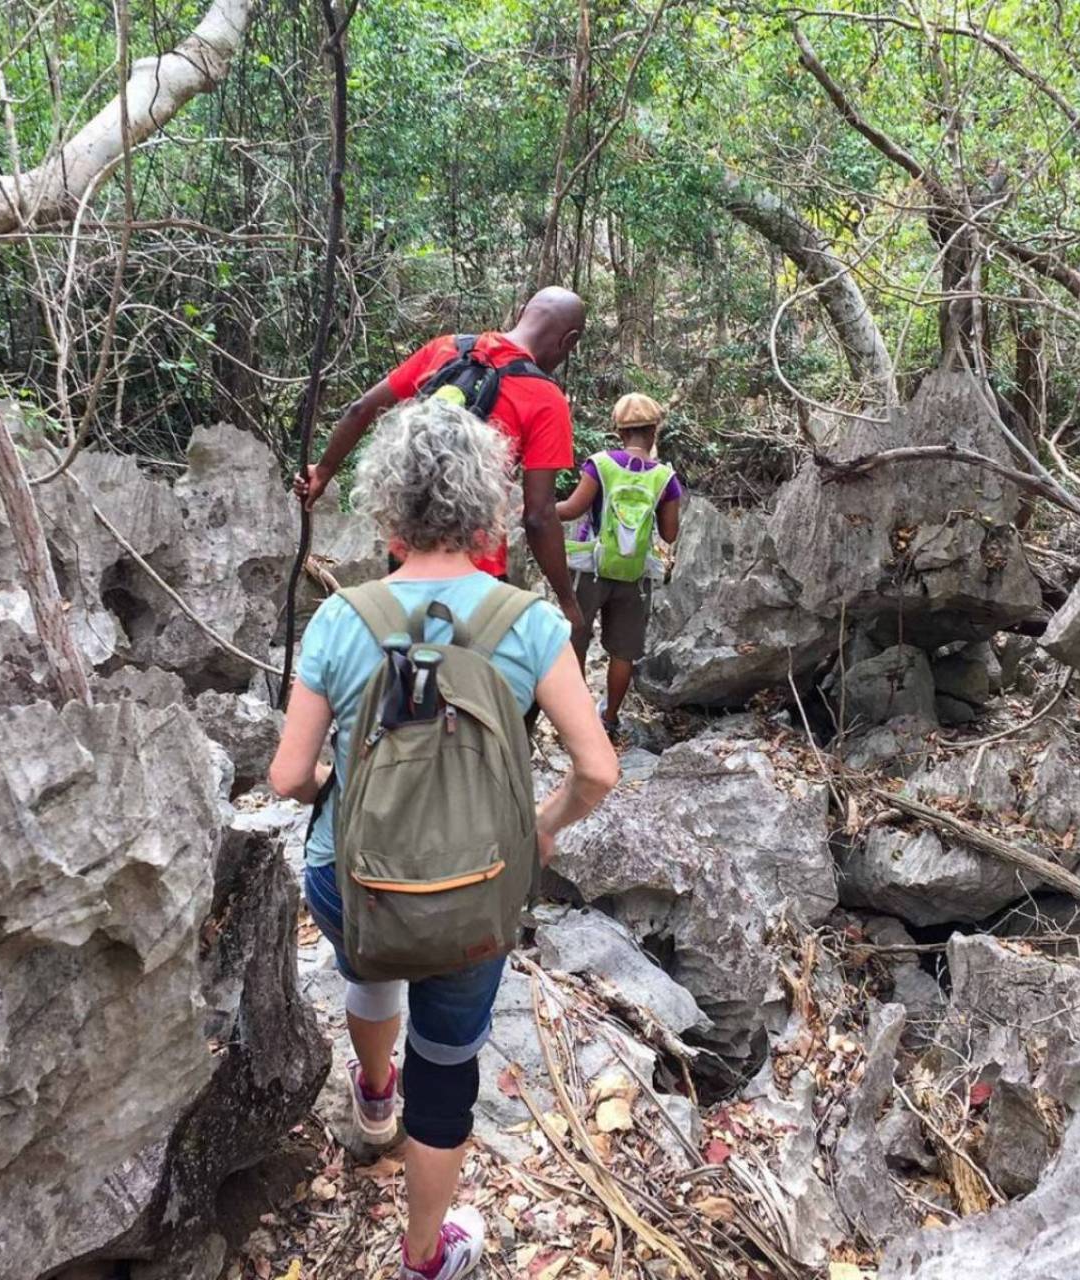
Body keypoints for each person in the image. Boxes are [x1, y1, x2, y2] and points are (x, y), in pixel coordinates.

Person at [270, 398, 619, 1280]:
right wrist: (541, 831)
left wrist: (341, 786)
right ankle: (425, 1255)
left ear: (386, 507)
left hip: (353, 879)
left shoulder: (341, 619)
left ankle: (373, 1097)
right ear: (492, 508)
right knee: (450, 1067)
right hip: (476, 886)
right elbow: (598, 771)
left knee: (374, 966)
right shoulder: (531, 624)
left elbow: (286, 778)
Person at [293, 287, 587, 631]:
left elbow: (361, 409)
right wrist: (567, 601)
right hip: (478, 568)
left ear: (523, 311)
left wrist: (323, 472)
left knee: (413, 656)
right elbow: (539, 515)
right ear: (568, 341)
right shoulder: (545, 397)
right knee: (470, 673)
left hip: (409, 552)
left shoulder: (447, 349)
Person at [555, 392, 683, 736]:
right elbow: (670, 535)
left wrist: (537, 510)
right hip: (635, 576)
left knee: (577, 639)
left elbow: (572, 509)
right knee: (622, 651)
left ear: (619, 432)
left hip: (590, 568)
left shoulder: (601, 464)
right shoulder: (665, 479)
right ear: (654, 431)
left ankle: (578, 717)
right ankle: (609, 719)